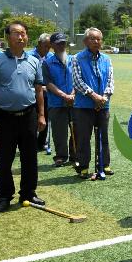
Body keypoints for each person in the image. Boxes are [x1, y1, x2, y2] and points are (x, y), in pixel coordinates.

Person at [0, 21, 46, 212]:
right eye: (16, 33)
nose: (21, 37)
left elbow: (39, 91)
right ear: (7, 37)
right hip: (4, 117)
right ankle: (4, 196)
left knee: (30, 157)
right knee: (5, 158)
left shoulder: (34, 61)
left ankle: (28, 193)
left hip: (28, 115)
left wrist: (42, 115)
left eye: (24, 33)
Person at [72, 27, 115, 180]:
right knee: (84, 137)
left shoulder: (106, 59)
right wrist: (94, 96)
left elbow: (110, 81)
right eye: (92, 39)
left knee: (103, 136)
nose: (96, 41)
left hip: (103, 105)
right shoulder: (77, 58)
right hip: (84, 105)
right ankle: (83, 166)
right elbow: (77, 81)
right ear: (85, 41)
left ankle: (104, 165)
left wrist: (103, 97)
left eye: (99, 39)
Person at [43, 33, 76, 167]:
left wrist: (73, 94)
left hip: (74, 101)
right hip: (56, 102)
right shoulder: (47, 63)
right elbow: (48, 83)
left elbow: (79, 79)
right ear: (52, 45)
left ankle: (75, 155)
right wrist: (64, 95)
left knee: (77, 129)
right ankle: (61, 156)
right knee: (59, 131)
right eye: (58, 43)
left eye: (63, 43)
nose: (62, 45)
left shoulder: (74, 60)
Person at [30, 33, 52, 153]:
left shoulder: (51, 56)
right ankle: (31, 141)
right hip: (32, 92)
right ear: (39, 44)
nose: (47, 49)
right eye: (45, 46)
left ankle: (41, 142)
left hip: (47, 93)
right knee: (33, 118)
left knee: (45, 117)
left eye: (49, 47)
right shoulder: (29, 56)